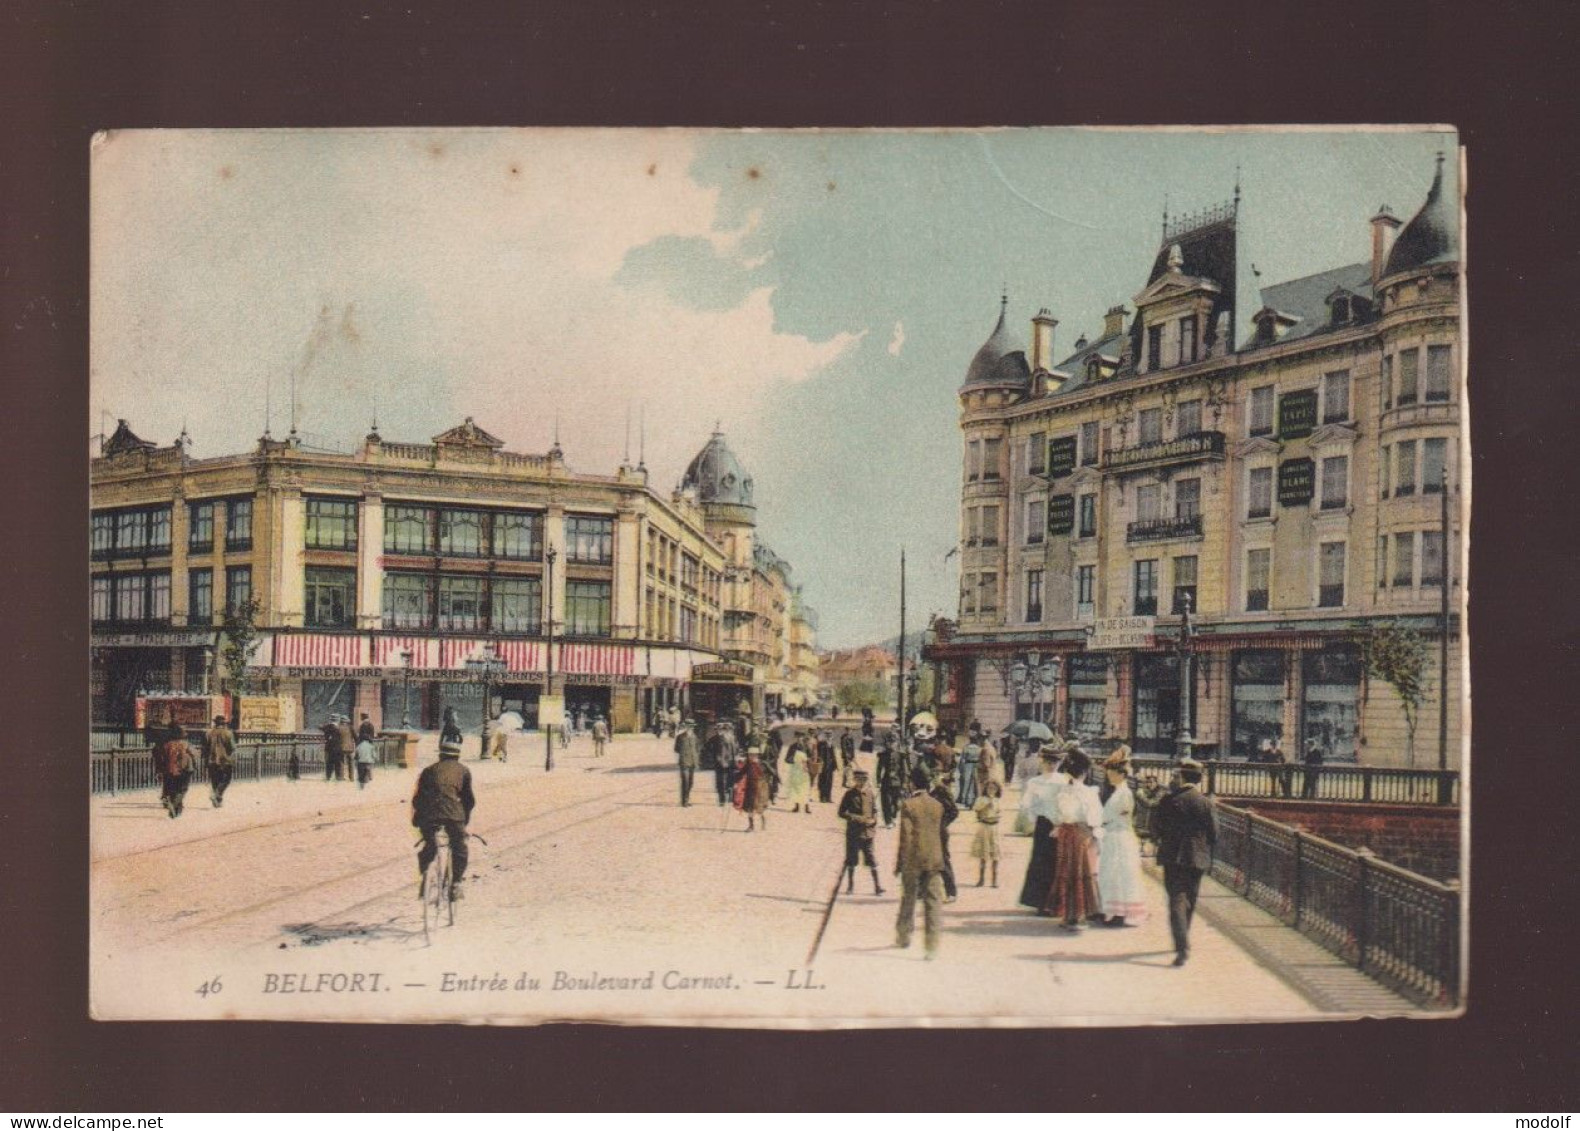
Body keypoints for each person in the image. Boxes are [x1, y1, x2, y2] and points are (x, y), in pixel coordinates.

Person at [1150, 756, 1218, 966]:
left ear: (1182, 777)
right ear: (1199, 780)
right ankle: (1184, 937)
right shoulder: (1205, 803)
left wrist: (1162, 839)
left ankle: (1182, 947)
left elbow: (1156, 827)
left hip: (1172, 856)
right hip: (1197, 857)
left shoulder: (1168, 800)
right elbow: (1214, 833)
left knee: (1176, 900)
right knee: (1190, 899)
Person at [1044, 748, 1104, 929]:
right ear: (1085, 773)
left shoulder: (1063, 792)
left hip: (1066, 833)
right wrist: (1098, 834)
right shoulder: (1088, 793)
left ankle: (1067, 915)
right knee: (1081, 873)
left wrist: (1059, 825)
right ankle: (1077, 915)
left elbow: (1054, 813)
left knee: (1066, 873)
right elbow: (1095, 818)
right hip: (1082, 835)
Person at [412, 738, 476, 900]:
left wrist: (417, 819)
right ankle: (455, 884)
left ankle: (426, 874)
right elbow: (469, 800)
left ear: (440, 754)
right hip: (454, 816)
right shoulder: (463, 771)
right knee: (459, 847)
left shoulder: (428, 770)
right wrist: (464, 821)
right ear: (458, 755)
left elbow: (418, 798)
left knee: (429, 844)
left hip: (430, 815)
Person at [894, 766, 947, 958]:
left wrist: (900, 862)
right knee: (933, 902)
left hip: (914, 858)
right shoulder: (937, 805)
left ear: (912, 783)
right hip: (934, 858)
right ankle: (931, 947)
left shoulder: (908, 805)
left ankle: (904, 936)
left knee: (908, 898)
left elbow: (906, 837)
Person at [1097, 750, 1147, 927]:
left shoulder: (1124, 793)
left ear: (1120, 774)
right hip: (1114, 836)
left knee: (1118, 874)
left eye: (1111, 773)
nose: (1109, 777)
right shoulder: (1119, 792)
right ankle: (1112, 910)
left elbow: (1114, 816)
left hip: (1119, 837)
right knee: (1111, 874)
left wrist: (1100, 821)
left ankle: (1118, 912)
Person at [1017, 749, 1065, 908]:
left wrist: (1061, 822)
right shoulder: (1035, 782)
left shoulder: (1063, 782)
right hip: (1043, 824)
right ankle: (1039, 901)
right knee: (1040, 862)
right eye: (1048, 762)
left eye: (1055, 762)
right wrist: (1032, 820)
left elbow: (1067, 804)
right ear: (1042, 762)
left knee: (1056, 862)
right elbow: (1026, 803)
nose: (1051, 765)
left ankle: (1055, 902)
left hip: (1059, 825)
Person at [837, 765, 884, 895]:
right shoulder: (849, 794)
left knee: (872, 860)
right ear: (854, 780)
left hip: (868, 833)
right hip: (853, 833)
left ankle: (877, 887)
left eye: (863, 780)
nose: (861, 782)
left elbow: (874, 810)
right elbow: (841, 812)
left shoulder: (870, 793)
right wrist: (857, 818)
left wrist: (874, 820)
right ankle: (850, 887)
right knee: (851, 861)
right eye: (858, 780)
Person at [152, 720, 195, 819]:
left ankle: (174, 807)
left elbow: (158, 755)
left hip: (169, 769)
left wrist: (159, 769)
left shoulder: (165, 744)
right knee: (182, 789)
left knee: (172, 789)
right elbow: (194, 754)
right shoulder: (185, 744)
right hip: (184, 769)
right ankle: (174, 805)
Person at [970, 779, 1003, 887]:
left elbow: (999, 812)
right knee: (983, 855)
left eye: (994, 788)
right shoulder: (981, 799)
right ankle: (981, 879)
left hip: (994, 827)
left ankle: (994, 880)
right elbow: (976, 809)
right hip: (984, 826)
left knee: (995, 854)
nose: (991, 790)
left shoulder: (998, 800)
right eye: (989, 788)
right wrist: (986, 805)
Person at [203, 714, 236, 809]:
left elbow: (205, 748)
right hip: (225, 760)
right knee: (226, 780)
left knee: (215, 780)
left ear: (215, 723)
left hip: (212, 760)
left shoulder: (208, 733)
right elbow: (233, 747)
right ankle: (217, 795)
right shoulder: (228, 733)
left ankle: (218, 801)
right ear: (224, 724)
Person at [736, 746, 770, 831]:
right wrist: (734, 782)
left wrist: (757, 765)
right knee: (750, 807)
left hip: (760, 788)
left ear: (757, 755)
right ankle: (751, 826)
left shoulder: (762, 764)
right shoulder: (747, 764)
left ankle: (763, 822)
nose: (752, 757)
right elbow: (741, 774)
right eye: (750, 755)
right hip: (750, 788)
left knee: (759, 808)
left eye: (754, 755)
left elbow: (764, 774)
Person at [707, 722, 737, 806]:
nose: (721, 731)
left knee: (730, 781)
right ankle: (722, 800)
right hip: (720, 763)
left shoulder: (732, 739)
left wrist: (735, 760)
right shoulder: (715, 739)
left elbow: (734, 750)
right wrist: (715, 758)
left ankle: (730, 799)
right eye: (719, 730)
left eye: (727, 730)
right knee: (720, 782)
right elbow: (708, 749)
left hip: (730, 762)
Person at [674, 719, 699, 806]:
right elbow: (676, 749)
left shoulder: (695, 737)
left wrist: (696, 761)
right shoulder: (680, 737)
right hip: (684, 762)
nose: (690, 728)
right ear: (685, 727)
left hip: (692, 762)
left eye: (692, 726)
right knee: (685, 781)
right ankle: (684, 801)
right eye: (688, 726)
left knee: (691, 782)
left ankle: (687, 799)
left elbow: (696, 749)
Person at [785, 735, 812, 814]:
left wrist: (807, 761)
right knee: (796, 788)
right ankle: (797, 806)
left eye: (800, 738)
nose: (799, 739)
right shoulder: (792, 747)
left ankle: (807, 807)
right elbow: (787, 759)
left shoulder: (806, 746)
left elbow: (810, 756)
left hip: (804, 769)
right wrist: (793, 761)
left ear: (802, 738)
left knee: (805, 787)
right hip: (795, 770)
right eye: (797, 738)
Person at [957, 740, 980, 806]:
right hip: (976, 765)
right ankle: (971, 800)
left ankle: (963, 799)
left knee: (965, 782)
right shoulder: (979, 748)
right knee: (973, 783)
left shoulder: (966, 747)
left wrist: (960, 768)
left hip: (967, 765)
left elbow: (962, 759)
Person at [816, 731, 837, 803]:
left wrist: (835, 765)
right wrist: (820, 763)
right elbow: (819, 755)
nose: (829, 737)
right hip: (823, 766)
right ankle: (822, 797)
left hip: (830, 766)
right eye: (827, 736)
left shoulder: (831, 744)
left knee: (829, 782)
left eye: (830, 736)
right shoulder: (821, 744)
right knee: (823, 782)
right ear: (825, 736)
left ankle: (828, 797)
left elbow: (833, 756)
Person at [321, 716, 345, 782]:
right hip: (338, 748)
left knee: (329, 763)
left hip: (329, 748)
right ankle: (338, 777)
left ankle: (328, 777)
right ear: (337, 720)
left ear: (331, 720)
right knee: (337, 763)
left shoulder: (328, 727)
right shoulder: (339, 728)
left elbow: (325, 735)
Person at [336, 714, 357, 782]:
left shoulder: (338, 728)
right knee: (351, 762)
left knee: (341, 762)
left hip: (341, 748)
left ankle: (341, 777)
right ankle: (351, 778)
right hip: (350, 748)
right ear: (347, 721)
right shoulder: (351, 727)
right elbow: (356, 737)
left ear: (341, 721)